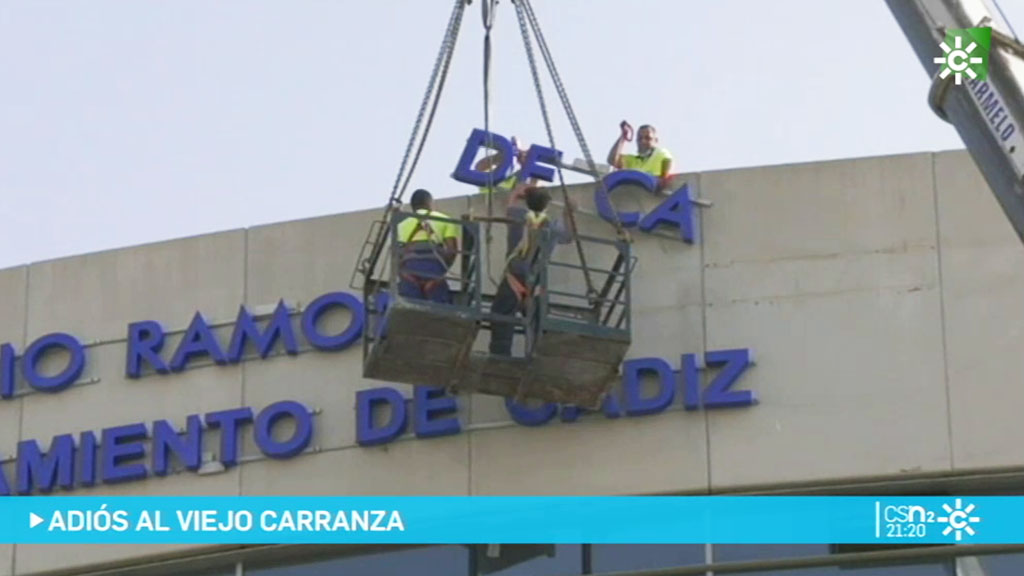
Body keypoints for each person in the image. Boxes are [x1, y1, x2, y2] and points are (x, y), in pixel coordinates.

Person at [488, 184, 577, 356]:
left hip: (513, 277)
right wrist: (568, 212)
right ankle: (534, 356)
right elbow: (569, 236)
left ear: (527, 202)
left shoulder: (518, 217)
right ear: (547, 204)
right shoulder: (552, 226)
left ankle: (500, 355)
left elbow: (510, 206)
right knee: (537, 322)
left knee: (501, 316)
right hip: (536, 279)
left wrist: (515, 193)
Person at [394, 189, 460, 304]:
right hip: (433, 266)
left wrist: (404, 273)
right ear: (429, 202)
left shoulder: (402, 224)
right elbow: (452, 250)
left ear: (413, 206)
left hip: (410, 268)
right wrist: (441, 272)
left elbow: (396, 255)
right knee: (441, 308)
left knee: (410, 308)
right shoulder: (444, 219)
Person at [607, 121, 674, 193]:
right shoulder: (633, 160)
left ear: (656, 140)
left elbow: (667, 161)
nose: (643, 141)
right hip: (637, 196)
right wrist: (623, 137)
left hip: (653, 192)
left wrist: (662, 179)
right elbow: (612, 159)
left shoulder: (660, 153)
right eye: (640, 138)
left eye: (648, 138)